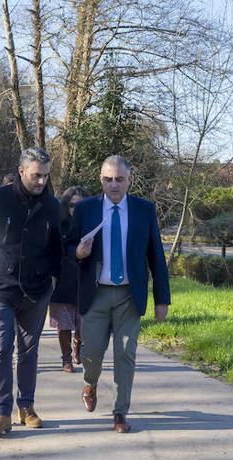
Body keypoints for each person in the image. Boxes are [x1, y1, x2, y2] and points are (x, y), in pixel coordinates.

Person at [66, 155, 170, 433]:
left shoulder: (143, 210)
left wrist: (162, 299)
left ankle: (120, 411)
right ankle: (90, 383)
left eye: (119, 179)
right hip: (95, 293)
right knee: (93, 353)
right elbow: (66, 248)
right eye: (108, 179)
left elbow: (156, 256)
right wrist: (78, 252)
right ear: (100, 180)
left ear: (129, 180)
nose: (113, 185)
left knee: (125, 354)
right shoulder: (86, 209)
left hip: (128, 295)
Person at [0, 147, 62, 437]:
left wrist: (53, 283)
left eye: (46, 176)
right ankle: (1, 412)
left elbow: (57, 247)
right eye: (36, 175)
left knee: (29, 351)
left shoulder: (52, 206)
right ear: (21, 171)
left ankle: (27, 406)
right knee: (1, 348)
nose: (42, 182)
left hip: (36, 291)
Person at [50, 186, 86, 372]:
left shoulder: (89, 225)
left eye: (80, 205)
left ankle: (77, 348)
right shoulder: (59, 225)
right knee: (64, 324)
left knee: (83, 323)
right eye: (72, 205)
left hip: (85, 281)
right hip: (63, 281)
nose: (76, 209)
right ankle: (66, 358)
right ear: (66, 206)